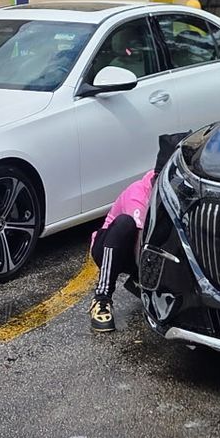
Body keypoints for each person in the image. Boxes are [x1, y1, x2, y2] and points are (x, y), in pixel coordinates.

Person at [90, 132, 185, 333]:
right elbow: (142, 245)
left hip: (145, 250)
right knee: (126, 223)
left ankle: (142, 283)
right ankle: (101, 298)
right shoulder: (139, 195)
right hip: (113, 247)